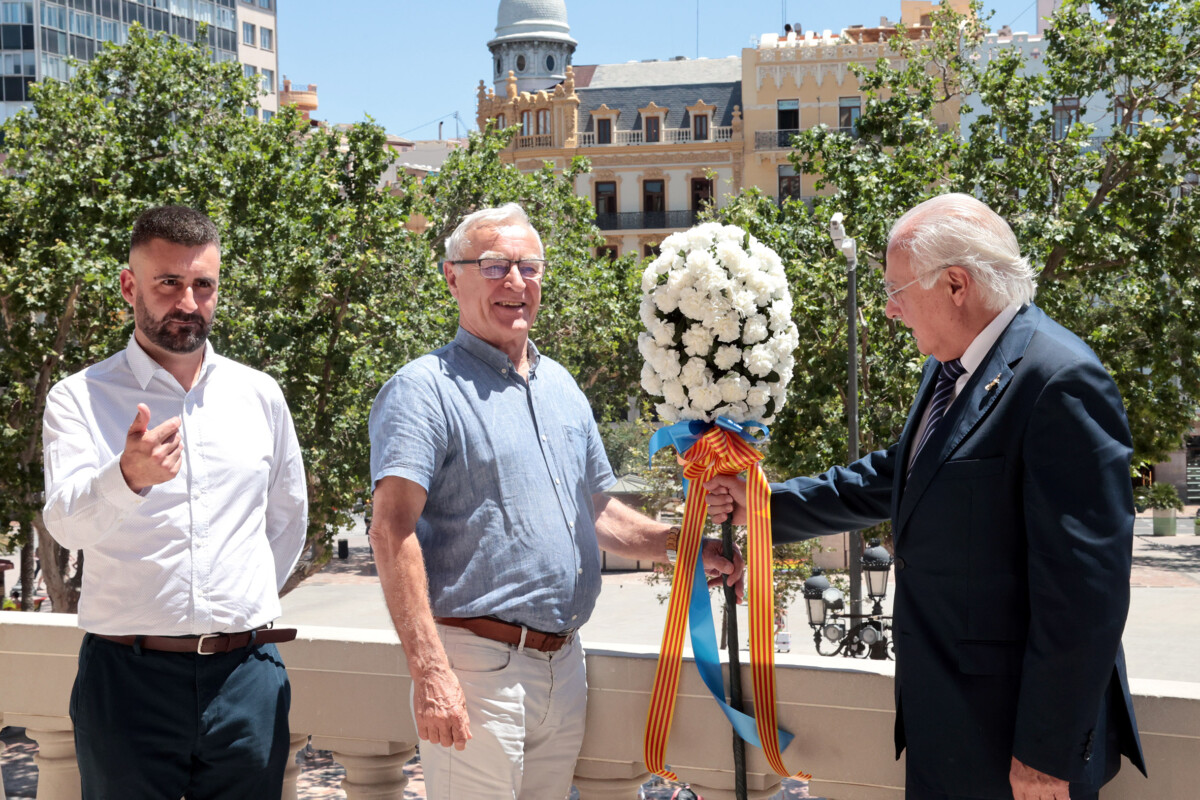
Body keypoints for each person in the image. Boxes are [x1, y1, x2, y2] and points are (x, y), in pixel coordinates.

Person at [706, 194, 1146, 800]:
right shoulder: (953, 365)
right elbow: (900, 477)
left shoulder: (1060, 380)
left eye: (898, 288)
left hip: (1018, 753)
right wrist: (764, 505)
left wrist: (1045, 752)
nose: (889, 309)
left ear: (956, 284)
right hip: (950, 728)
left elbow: (1086, 595)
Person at [368, 203, 744, 799]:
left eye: (529, 266)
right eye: (494, 267)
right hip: (475, 666)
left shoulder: (562, 386)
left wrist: (684, 547)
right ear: (451, 276)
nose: (516, 282)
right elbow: (391, 532)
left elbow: (597, 512)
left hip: (564, 667)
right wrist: (431, 673)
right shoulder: (423, 390)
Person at [42, 205, 308, 800]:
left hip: (247, 677)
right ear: (130, 286)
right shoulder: (80, 398)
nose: (188, 301)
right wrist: (126, 478)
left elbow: (287, 520)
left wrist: (239, 605)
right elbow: (64, 525)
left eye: (203, 284)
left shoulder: (259, 394)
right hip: (126, 680)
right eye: (169, 283)